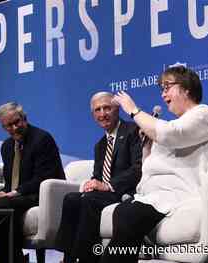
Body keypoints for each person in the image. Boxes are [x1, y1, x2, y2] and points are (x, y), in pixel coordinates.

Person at [99, 66, 208, 263]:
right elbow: (151, 167)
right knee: (123, 212)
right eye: (161, 89)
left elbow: (172, 134)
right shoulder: (176, 124)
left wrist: (134, 111)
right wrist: (147, 147)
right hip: (162, 194)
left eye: (167, 87)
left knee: (129, 216)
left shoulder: (204, 114)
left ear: (186, 89)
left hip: (185, 193)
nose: (163, 94)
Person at [0, 102, 65, 263]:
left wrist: (10, 194)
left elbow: (43, 178)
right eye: (9, 125)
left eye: (17, 122)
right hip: (17, 195)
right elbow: (11, 181)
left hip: (40, 194)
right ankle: (13, 255)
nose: (14, 128)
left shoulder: (42, 139)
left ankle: (8, 258)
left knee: (2, 206)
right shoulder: (6, 146)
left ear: (24, 118)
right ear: (3, 127)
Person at [55, 91, 142, 263]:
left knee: (89, 201)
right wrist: (91, 183)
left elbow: (138, 168)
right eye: (97, 110)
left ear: (117, 109)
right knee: (72, 199)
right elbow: (97, 175)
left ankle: (87, 258)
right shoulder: (100, 145)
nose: (102, 114)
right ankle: (68, 257)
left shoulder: (133, 131)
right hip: (105, 193)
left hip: (125, 191)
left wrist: (108, 185)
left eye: (107, 108)